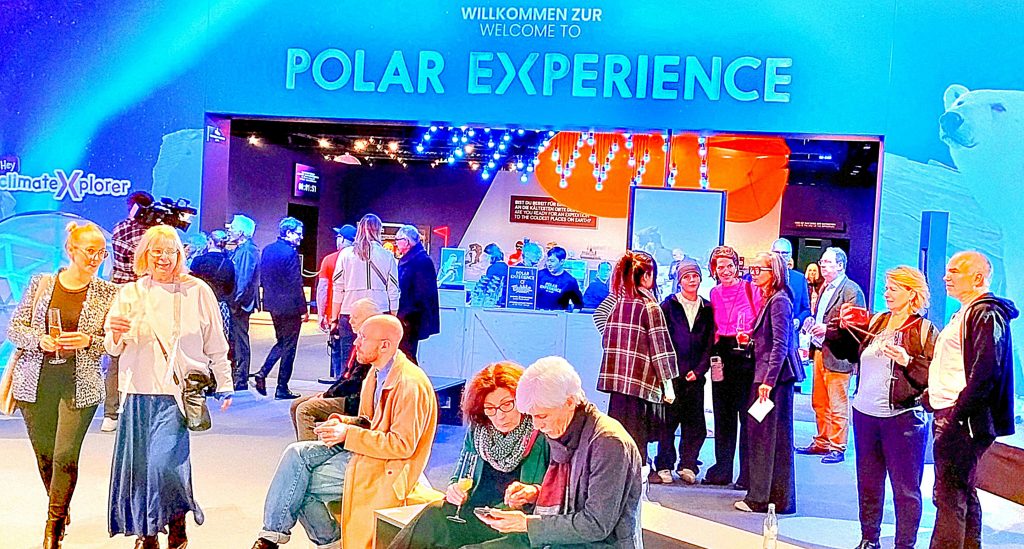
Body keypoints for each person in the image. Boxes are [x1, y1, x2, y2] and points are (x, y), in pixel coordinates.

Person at [249, 315, 438, 549]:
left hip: (389, 466)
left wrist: (348, 434)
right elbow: (369, 423)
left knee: (297, 485)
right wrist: (344, 424)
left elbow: (402, 446)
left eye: (363, 337)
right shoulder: (376, 373)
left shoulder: (409, 384)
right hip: (368, 452)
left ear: (385, 345)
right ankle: (272, 536)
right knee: (295, 453)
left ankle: (327, 541)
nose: (356, 342)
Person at [104, 225, 233, 549]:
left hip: (176, 396)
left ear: (180, 255)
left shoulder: (197, 291)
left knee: (164, 465)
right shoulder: (130, 293)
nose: (163, 257)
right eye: (156, 251)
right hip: (137, 393)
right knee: (140, 468)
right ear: (144, 255)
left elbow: (216, 343)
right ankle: (147, 534)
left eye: (170, 251)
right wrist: (116, 333)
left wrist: (225, 383)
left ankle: (175, 518)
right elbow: (112, 348)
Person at [6, 222, 118, 548]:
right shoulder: (41, 283)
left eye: (101, 252)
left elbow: (113, 344)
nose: (95, 258)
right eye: (90, 251)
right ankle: (60, 503)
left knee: (65, 454)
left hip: (80, 385)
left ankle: (53, 525)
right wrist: (39, 340)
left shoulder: (108, 293)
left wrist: (88, 341)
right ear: (71, 250)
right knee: (45, 456)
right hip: (35, 382)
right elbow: (15, 328)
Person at [471, 356, 643, 547]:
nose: (537, 425)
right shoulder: (565, 430)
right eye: (532, 416)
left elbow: (596, 524)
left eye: (542, 416)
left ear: (569, 402)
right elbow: (575, 497)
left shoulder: (608, 443)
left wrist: (526, 524)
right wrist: (535, 493)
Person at [828, 266, 938, 549]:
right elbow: (849, 354)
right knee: (868, 482)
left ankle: (904, 544)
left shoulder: (924, 330)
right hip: (865, 415)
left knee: (906, 489)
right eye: (887, 287)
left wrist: (907, 360)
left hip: (902, 418)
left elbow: (934, 376)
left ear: (911, 293)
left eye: (893, 288)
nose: (886, 293)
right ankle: (869, 539)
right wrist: (834, 331)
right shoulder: (877, 321)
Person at [389, 362, 550, 548]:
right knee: (432, 514)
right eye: (490, 408)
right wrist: (454, 490)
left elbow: (558, 497)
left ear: (521, 400)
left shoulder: (541, 434)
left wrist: (533, 492)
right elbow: (460, 475)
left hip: (512, 524)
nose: (500, 416)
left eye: (507, 404)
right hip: (475, 513)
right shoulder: (479, 430)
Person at [926, 251, 1017, 549]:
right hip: (954, 413)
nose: (946, 276)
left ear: (977, 277)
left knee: (949, 495)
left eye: (954, 271)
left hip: (961, 417)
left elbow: (986, 371)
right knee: (961, 490)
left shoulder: (985, 313)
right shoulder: (966, 312)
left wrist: (958, 416)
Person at [594, 250, 678, 474]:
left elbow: (600, 320)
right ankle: (637, 479)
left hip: (617, 381)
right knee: (638, 437)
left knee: (617, 434)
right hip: (641, 382)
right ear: (647, 276)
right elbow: (660, 348)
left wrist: (617, 345)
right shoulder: (650, 306)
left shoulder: (618, 302)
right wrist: (668, 384)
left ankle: (617, 475)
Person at [735, 252, 804, 514]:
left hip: (772, 379)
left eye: (758, 270)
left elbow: (780, 345)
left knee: (766, 438)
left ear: (773, 272)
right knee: (770, 438)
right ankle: (773, 497)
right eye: (752, 269)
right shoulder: (773, 298)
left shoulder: (779, 301)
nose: (753, 274)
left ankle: (761, 498)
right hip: (769, 376)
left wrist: (768, 381)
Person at [796, 247, 866, 464]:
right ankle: (822, 441)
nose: (822, 266)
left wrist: (827, 330)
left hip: (839, 355)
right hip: (820, 351)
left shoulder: (851, 290)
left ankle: (837, 446)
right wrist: (811, 321)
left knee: (837, 403)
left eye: (827, 262)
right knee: (819, 401)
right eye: (822, 262)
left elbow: (857, 327)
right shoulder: (824, 287)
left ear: (840, 265)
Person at [704, 245, 761, 487]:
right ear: (714, 270)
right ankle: (722, 470)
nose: (725, 271)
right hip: (722, 355)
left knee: (746, 416)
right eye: (720, 267)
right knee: (723, 415)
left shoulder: (751, 289)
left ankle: (747, 475)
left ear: (737, 267)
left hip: (746, 355)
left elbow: (760, 323)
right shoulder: (714, 293)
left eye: (729, 266)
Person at [654, 258, 715, 485]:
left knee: (695, 423)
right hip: (671, 376)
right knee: (667, 423)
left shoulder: (708, 308)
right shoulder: (668, 306)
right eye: (686, 277)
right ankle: (664, 465)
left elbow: (710, 343)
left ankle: (688, 465)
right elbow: (661, 340)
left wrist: (699, 370)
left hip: (695, 377)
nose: (691, 280)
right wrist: (670, 371)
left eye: (695, 276)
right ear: (679, 281)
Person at [290, 298, 378, 441]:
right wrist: (327, 393)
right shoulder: (361, 341)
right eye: (350, 317)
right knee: (296, 405)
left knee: (304, 409)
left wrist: (327, 395)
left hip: (356, 400)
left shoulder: (372, 345)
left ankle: (309, 453)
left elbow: (354, 382)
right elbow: (346, 376)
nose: (350, 322)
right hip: (350, 394)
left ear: (369, 320)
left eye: (355, 318)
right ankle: (304, 446)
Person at [103, 190, 154, 432]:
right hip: (136, 297)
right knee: (125, 353)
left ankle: (111, 413)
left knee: (117, 357)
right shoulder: (145, 234)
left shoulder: (121, 228)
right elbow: (141, 265)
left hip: (125, 294)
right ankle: (120, 412)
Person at [332, 213, 400, 364]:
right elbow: (393, 290)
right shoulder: (387, 256)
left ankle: (348, 381)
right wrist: (393, 316)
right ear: (379, 230)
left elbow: (338, 288)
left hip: (350, 313)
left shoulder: (345, 254)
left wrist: (334, 318)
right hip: (379, 312)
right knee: (375, 361)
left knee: (348, 362)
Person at [254, 217, 306, 400]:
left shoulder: (267, 250)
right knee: (289, 347)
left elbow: (264, 277)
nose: (301, 237)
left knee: (282, 342)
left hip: (273, 304)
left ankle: (263, 372)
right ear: (288, 233)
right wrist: (303, 308)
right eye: (298, 234)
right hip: (290, 306)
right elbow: (295, 283)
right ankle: (281, 387)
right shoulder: (290, 253)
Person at [316, 224, 356, 382]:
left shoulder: (330, 260)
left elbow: (323, 289)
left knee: (337, 350)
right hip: (356, 313)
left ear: (343, 240)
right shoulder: (360, 259)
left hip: (336, 313)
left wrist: (321, 314)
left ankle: (339, 382)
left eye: (339, 237)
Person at [395, 225, 440, 359]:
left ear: (406, 241)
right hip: (407, 317)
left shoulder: (421, 261)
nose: (396, 243)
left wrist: (406, 314)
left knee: (406, 355)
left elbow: (423, 294)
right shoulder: (413, 259)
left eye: (398, 239)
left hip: (410, 319)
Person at [228, 214, 260, 391]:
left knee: (240, 341)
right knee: (236, 340)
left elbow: (243, 279)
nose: (229, 230)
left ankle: (240, 379)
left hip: (240, 304)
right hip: (238, 302)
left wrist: (235, 301)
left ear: (241, 232)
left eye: (233, 227)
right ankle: (237, 376)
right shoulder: (241, 249)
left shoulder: (247, 251)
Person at [189, 229, 235, 341]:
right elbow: (230, 287)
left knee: (199, 339)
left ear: (210, 242)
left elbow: (190, 283)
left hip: (199, 305)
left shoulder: (198, 261)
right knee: (219, 340)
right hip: (220, 306)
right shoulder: (229, 263)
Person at [771, 238, 811, 332]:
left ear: (790, 255)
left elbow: (806, 309)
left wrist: (799, 320)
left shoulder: (799, 279)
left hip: (790, 332)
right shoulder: (763, 277)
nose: (780, 256)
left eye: (784, 253)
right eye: (777, 252)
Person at [536, 246, 583, 311]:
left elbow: (578, 305)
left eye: (552, 261)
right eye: (548, 261)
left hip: (558, 316)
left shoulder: (570, 281)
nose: (549, 264)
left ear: (561, 262)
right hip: (538, 314)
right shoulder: (539, 275)